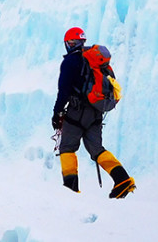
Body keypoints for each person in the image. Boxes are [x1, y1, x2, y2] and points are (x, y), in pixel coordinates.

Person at [52, 27, 135, 198]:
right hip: (96, 112)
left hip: (77, 112)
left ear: (69, 43)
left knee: (67, 147)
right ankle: (123, 180)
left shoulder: (70, 62)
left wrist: (57, 113)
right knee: (97, 149)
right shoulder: (94, 61)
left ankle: (70, 189)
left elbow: (64, 91)